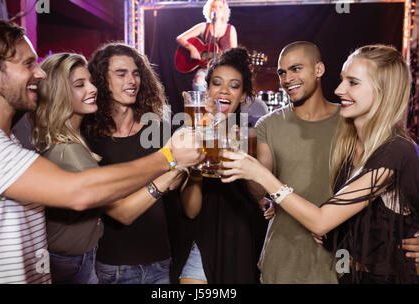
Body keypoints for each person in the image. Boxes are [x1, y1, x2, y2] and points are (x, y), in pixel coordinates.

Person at [0, 17, 202, 284]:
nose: (40, 73)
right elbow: (81, 192)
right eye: (28, 63)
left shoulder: (4, 140)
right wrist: (169, 158)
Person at [220, 44, 419, 284]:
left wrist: (262, 175)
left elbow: (321, 220)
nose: (339, 89)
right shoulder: (352, 141)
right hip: (347, 275)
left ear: (383, 90)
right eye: (342, 80)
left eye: (353, 83)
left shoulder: (397, 150)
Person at [82, 42, 186, 284]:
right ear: (100, 79)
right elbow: (120, 213)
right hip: (113, 267)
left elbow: (175, 185)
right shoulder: (88, 139)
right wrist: (172, 165)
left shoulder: (159, 131)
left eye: (136, 73)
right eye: (121, 73)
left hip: (161, 261)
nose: (132, 80)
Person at [171, 47, 268, 284]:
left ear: (244, 95)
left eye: (234, 86)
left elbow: (260, 193)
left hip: (241, 244)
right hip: (200, 243)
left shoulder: (252, 134)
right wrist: (197, 163)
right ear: (207, 89)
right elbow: (191, 210)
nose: (224, 90)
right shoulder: (190, 135)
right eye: (217, 83)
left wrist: (229, 139)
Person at [248, 41, 342, 283]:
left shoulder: (349, 122)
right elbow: (259, 189)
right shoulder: (267, 125)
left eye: (296, 69)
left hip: (335, 261)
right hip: (281, 260)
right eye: (282, 72)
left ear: (318, 70)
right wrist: (245, 159)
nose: (287, 78)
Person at [30, 53, 104, 283]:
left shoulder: (59, 137)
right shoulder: (67, 150)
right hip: (71, 261)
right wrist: (170, 162)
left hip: (72, 255)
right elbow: (119, 206)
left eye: (90, 81)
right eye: (80, 85)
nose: (93, 89)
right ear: (59, 93)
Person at [176, 0, 237, 92]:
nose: (216, 9)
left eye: (220, 7)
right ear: (209, 9)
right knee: (199, 79)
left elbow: (235, 54)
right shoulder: (204, 27)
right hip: (206, 68)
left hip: (224, 69)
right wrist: (191, 48)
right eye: (214, 6)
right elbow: (180, 38)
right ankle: (202, 105)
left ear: (224, 11)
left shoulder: (230, 29)